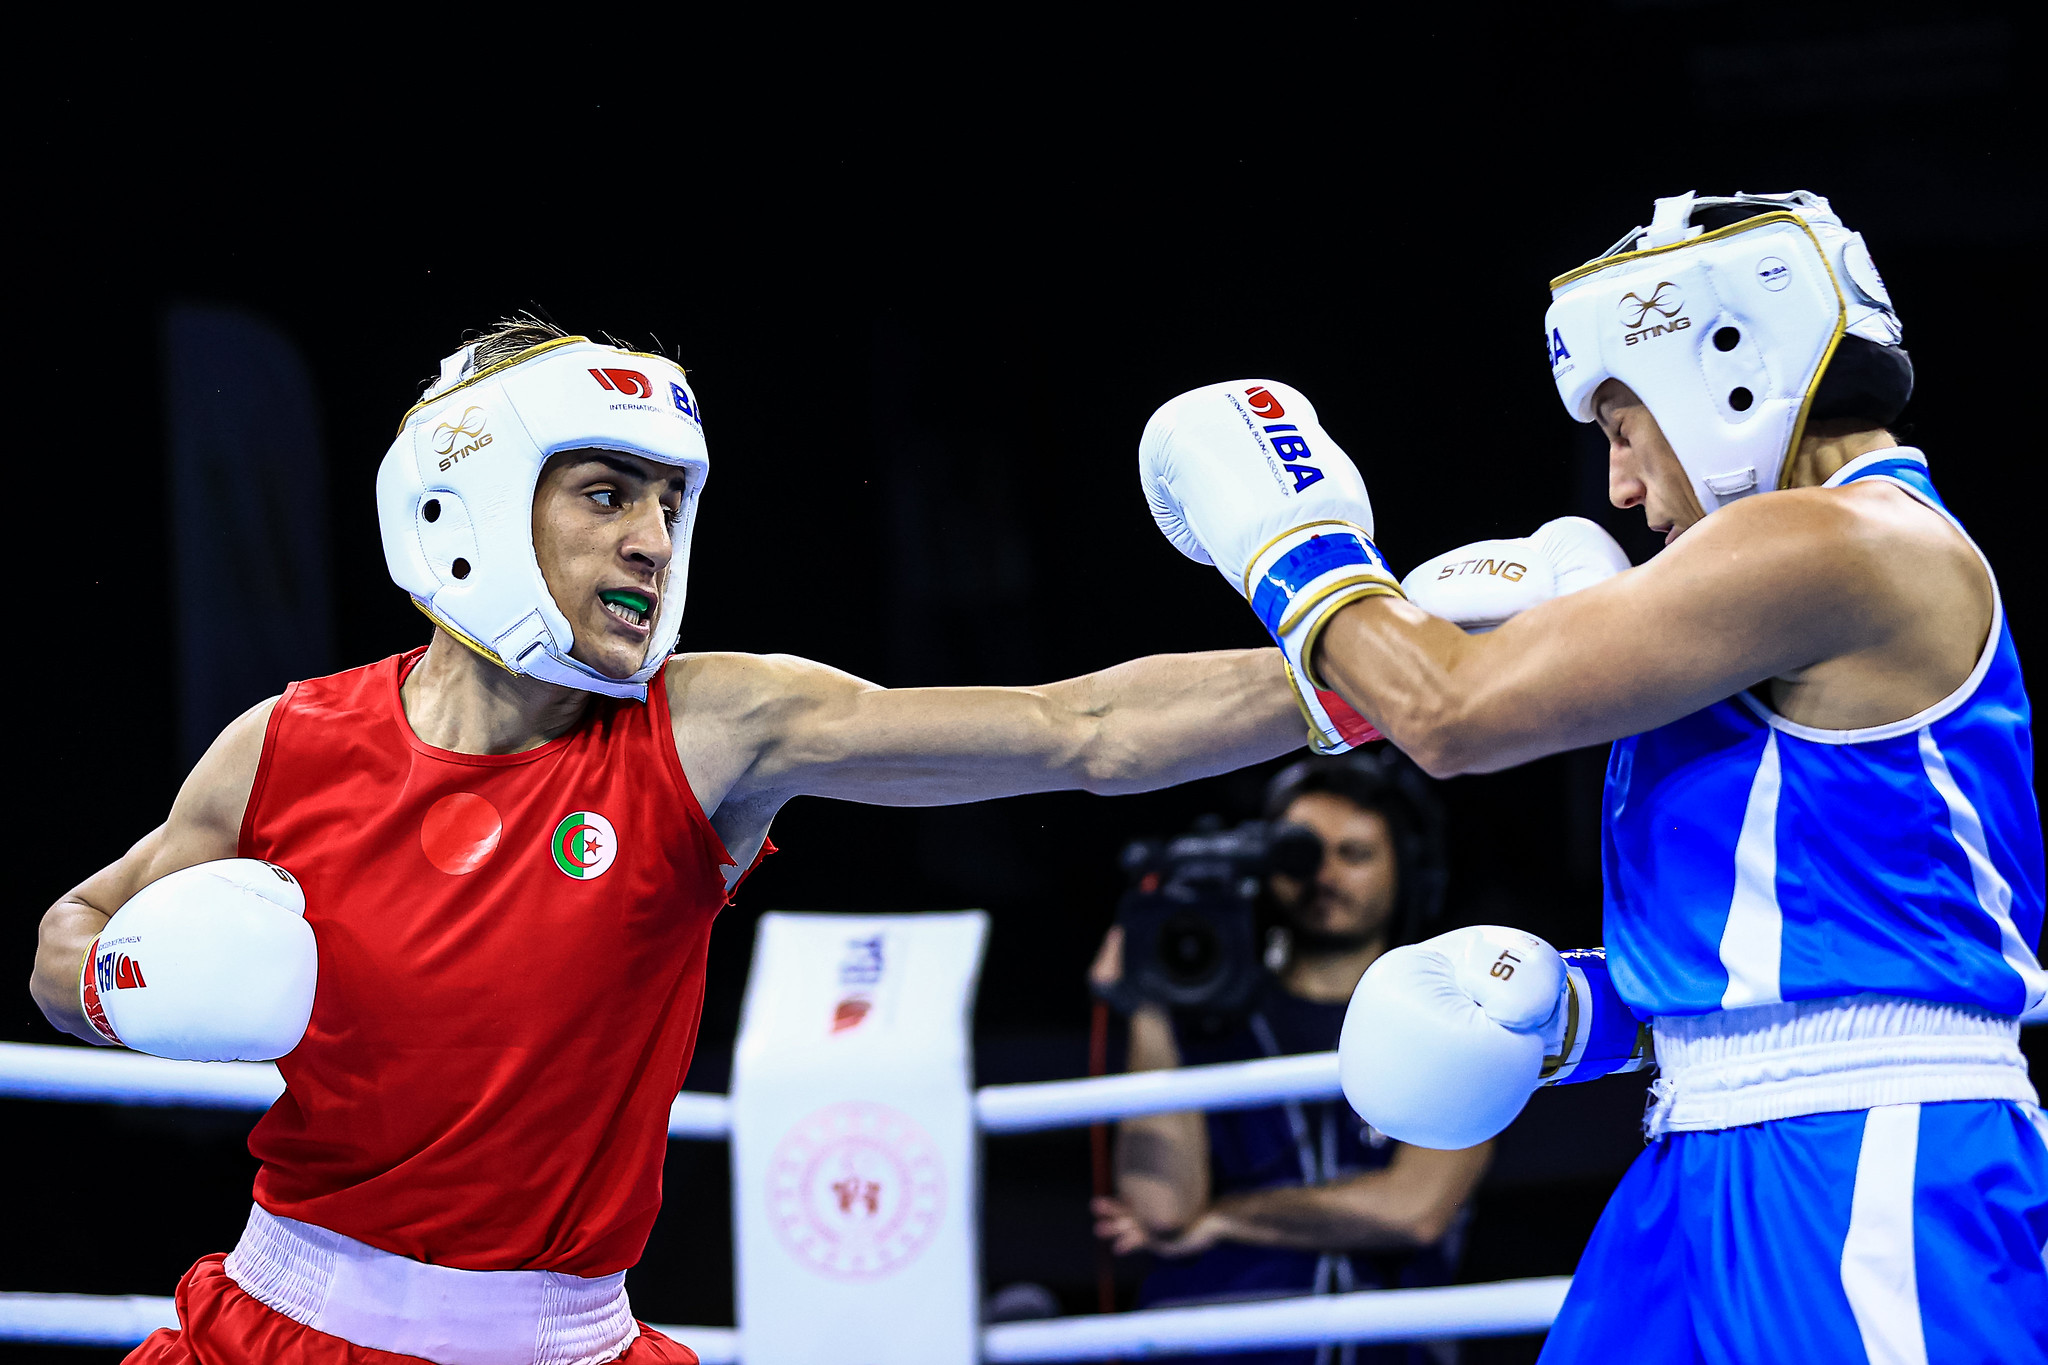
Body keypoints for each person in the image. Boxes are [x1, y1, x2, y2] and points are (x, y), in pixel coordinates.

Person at [30, 320, 1322, 1365]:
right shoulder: (288, 747)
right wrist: (116, 983)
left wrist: (1358, 659)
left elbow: (1075, 729)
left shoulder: (703, 731)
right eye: (605, 492)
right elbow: (66, 935)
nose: (651, 537)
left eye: (666, 499)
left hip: (565, 1340)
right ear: (466, 500)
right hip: (271, 1329)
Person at [1138, 191, 2045, 1364]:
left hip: (1863, 1154)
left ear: (1724, 367)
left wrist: (1291, 537)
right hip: (1705, 1145)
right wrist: (1585, 1010)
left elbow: (1447, 716)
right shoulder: (1768, 588)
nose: (1616, 486)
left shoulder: (1845, 541)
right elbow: (1836, 906)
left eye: (1620, 427)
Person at [1089, 750, 1489, 1365]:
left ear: (1407, 869)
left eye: (1354, 854)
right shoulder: (1203, 1020)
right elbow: (1163, 1212)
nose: (1323, 874)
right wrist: (1148, 1004)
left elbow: (1414, 1210)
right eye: (1300, 852)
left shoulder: (1457, 1017)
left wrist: (1222, 1217)